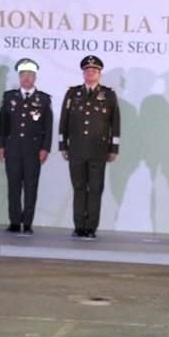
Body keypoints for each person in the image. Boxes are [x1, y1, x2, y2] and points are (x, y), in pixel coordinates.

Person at [58, 55, 120, 239]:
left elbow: (114, 122)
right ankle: (79, 226)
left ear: (99, 73)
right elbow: (64, 121)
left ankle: (91, 227)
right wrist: (63, 145)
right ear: (83, 73)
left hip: (98, 150)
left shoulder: (108, 94)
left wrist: (113, 148)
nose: (90, 73)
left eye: (94, 70)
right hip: (76, 149)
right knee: (78, 188)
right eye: (87, 70)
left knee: (95, 189)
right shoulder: (73, 93)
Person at [0, 57, 53, 235]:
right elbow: (2, 124)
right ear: (19, 77)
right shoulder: (9, 97)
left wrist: (45, 148)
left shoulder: (43, 99)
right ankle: (14, 221)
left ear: (35, 77)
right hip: (12, 149)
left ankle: (27, 223)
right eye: (23, 75)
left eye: (30, 75)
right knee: (13, 186)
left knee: (30, 187)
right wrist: (0, 145)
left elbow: (48, 127)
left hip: (33, 151)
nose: (26, 78)